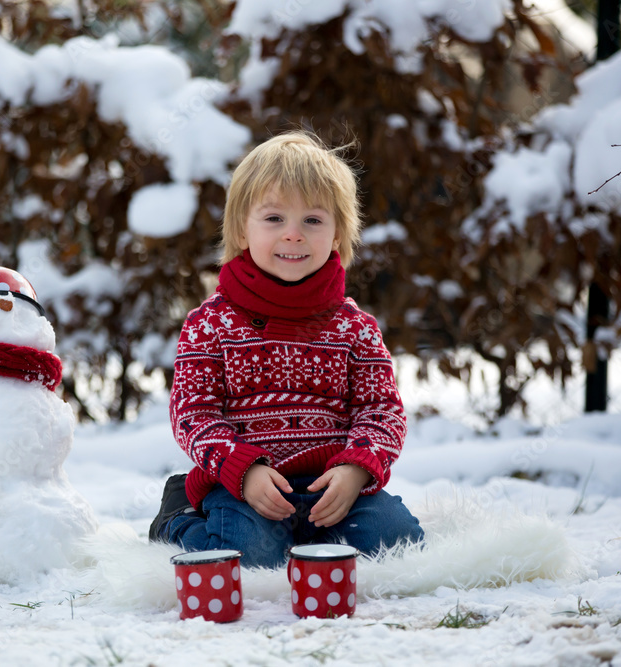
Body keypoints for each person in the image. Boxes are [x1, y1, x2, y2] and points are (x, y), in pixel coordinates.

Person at [149, 131, 423, 568]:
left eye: (312, 221)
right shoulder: (210, 324)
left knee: (395, 541)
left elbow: (381, 411)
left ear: (337, 235)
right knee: (248, 557)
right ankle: (178, 518)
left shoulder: (354, 328)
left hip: (330, 485)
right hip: (246, 484)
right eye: (274, 218)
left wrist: (356, 468)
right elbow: (194, 412)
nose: (293, 236)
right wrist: (242, 469)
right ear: (242, 230)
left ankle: (322, 530)